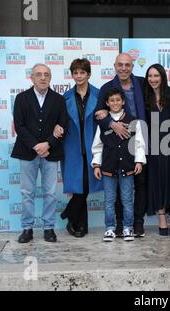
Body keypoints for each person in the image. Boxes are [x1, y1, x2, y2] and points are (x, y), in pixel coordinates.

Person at [12, 63, 68, 243]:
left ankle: (48, 228)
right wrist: (37, 146)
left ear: (50, 78)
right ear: (32, 78)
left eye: (46, 75)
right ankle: (27, 228)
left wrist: (47, 144)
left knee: (50, 192)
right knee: (27, 192)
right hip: (27, 152)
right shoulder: (21, 98)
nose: (43, 78)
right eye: (39, 74)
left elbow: (62, 126)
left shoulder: (59, 100)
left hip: (50, 153)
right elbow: (19, 126)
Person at [94, 53, 147, 237]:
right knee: (114, 192)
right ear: (114, 66)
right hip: (113, 143)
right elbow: (99, 114)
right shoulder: (107, 88)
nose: (124, 68)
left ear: (132, 66)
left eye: (127, 65)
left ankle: (135, 224)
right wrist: (113, 124)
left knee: (138, 187)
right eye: (120, 65)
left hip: (139, 136)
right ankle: (116, 226)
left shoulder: (141, 83)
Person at [57, 58, 103, 238]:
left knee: (85, 185)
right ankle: (81, 225)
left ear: (89, 74)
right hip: (72, 147)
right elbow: (60, 120)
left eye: (82, 72)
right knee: (79, 186)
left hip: (93, 145)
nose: (79, 76)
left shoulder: (99, 95)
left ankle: (70, 215)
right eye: (75, 72)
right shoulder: (65, 98)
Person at [144, 64, 170, 237]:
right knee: (157, 182)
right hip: (153, 147)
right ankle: (162, 221)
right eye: (150, 76)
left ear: (163, 77)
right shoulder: (145, 98)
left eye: (156, 76)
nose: (153, 79)